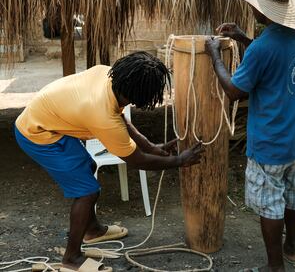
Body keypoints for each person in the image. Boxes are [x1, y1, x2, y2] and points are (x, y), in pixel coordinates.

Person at [14, 51, 204, 272]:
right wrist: (179, 161)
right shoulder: (102, 116)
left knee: (89, 168)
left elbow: (120, 116)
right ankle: (71, 257)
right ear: (140, 95)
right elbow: (136, 161)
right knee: (87, 192)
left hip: (47, 120)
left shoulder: (109, 77)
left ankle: (92, 230)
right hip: (37, 134)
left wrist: (150, 146)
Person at [205, 0, 295, 271]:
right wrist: (243, 37)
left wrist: (215, 56)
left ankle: (274, 266)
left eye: (255, 4)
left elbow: (234, 91)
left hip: (270, 141)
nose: (251, 7)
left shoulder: (264, 47)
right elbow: (275, 60)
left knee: (270, 204)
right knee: (292, 194)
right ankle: (291, 248)